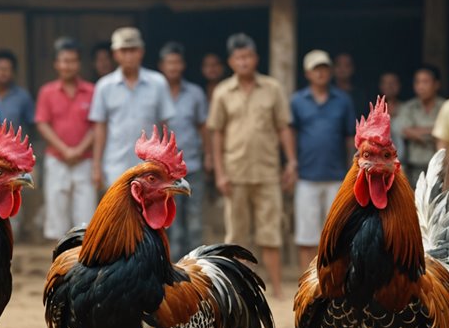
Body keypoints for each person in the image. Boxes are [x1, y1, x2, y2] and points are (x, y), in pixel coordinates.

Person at [207, 34, 295, 297]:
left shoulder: (272, 88)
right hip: (235, 174)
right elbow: (217, 133)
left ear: (256, 59)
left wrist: (291, 162)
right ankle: (238, 291)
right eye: (238, 58)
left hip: (268, 172)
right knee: (236, 237)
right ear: (231, 62)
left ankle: (277, 290)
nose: (244, 62)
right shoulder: (223, 92)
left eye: (248, 57)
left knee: (271, 233)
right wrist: (220, 174)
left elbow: (283, 128)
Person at [289, 49, 357, 272]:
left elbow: (350, 137)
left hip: (337, 175)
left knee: (338, 232)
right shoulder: (297, 101)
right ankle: (307, 281)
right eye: (316, 69)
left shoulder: (343, 100)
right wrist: (292, 162)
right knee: (306, 234)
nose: (321, 73)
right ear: (307, 73)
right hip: (307, 175)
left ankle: (336, 280)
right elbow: (291, 133)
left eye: (324, 68)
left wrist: (352, 170)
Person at [89, 27, 175, 189]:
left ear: (141, 52)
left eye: (133, 50)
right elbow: (100, 128)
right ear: (115, 54)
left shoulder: (158, 83)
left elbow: (165, 128)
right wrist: (96, 166)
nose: (128, 56)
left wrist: (166, 164)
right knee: (118, 213)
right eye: (124, 50)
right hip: (115, 165)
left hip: (150, 168)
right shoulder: (104, 86)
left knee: (149, 212)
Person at [35, 37, 96, 241]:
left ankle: (82, 262)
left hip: (85, 159)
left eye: (72, 60)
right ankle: (57, 261)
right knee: (56, 212)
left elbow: (97, 124)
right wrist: (65, 149)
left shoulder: (92, 91)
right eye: (63, 60)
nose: (67, 65)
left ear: (79, 64)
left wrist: (78, 150)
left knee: (86, 216)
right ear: (56, 64)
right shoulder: (47, 92)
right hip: (56, 159)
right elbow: (42, 123)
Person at [159, 41, 208, 257]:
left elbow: (203, 127)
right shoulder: (155, 92)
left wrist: (209, 157)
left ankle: (195, 266)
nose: (173, 67)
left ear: (183, 65)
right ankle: (174, 266)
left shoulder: (195, 93)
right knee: (172, 222)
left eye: (177, 62)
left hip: (193, 164)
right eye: (169, 63)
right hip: (165, 171)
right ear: (162, 65)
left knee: (195, 218)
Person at [393, 64, 444, 186]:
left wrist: (415, 131)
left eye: (425, 82)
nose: (421, 86)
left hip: (440, 169)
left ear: (436, 84)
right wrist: (433, 131)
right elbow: (403, 130)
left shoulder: (445, 106)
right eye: (417, 82)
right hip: (413, 168)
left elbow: (447, 132)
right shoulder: (408, 107)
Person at [0, 49, 34, 132]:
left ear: (13, 72)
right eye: (0, 68)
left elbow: (31, 124)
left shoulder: (22, 96)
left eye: (7, 69)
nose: (3, 72)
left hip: (12, 143)